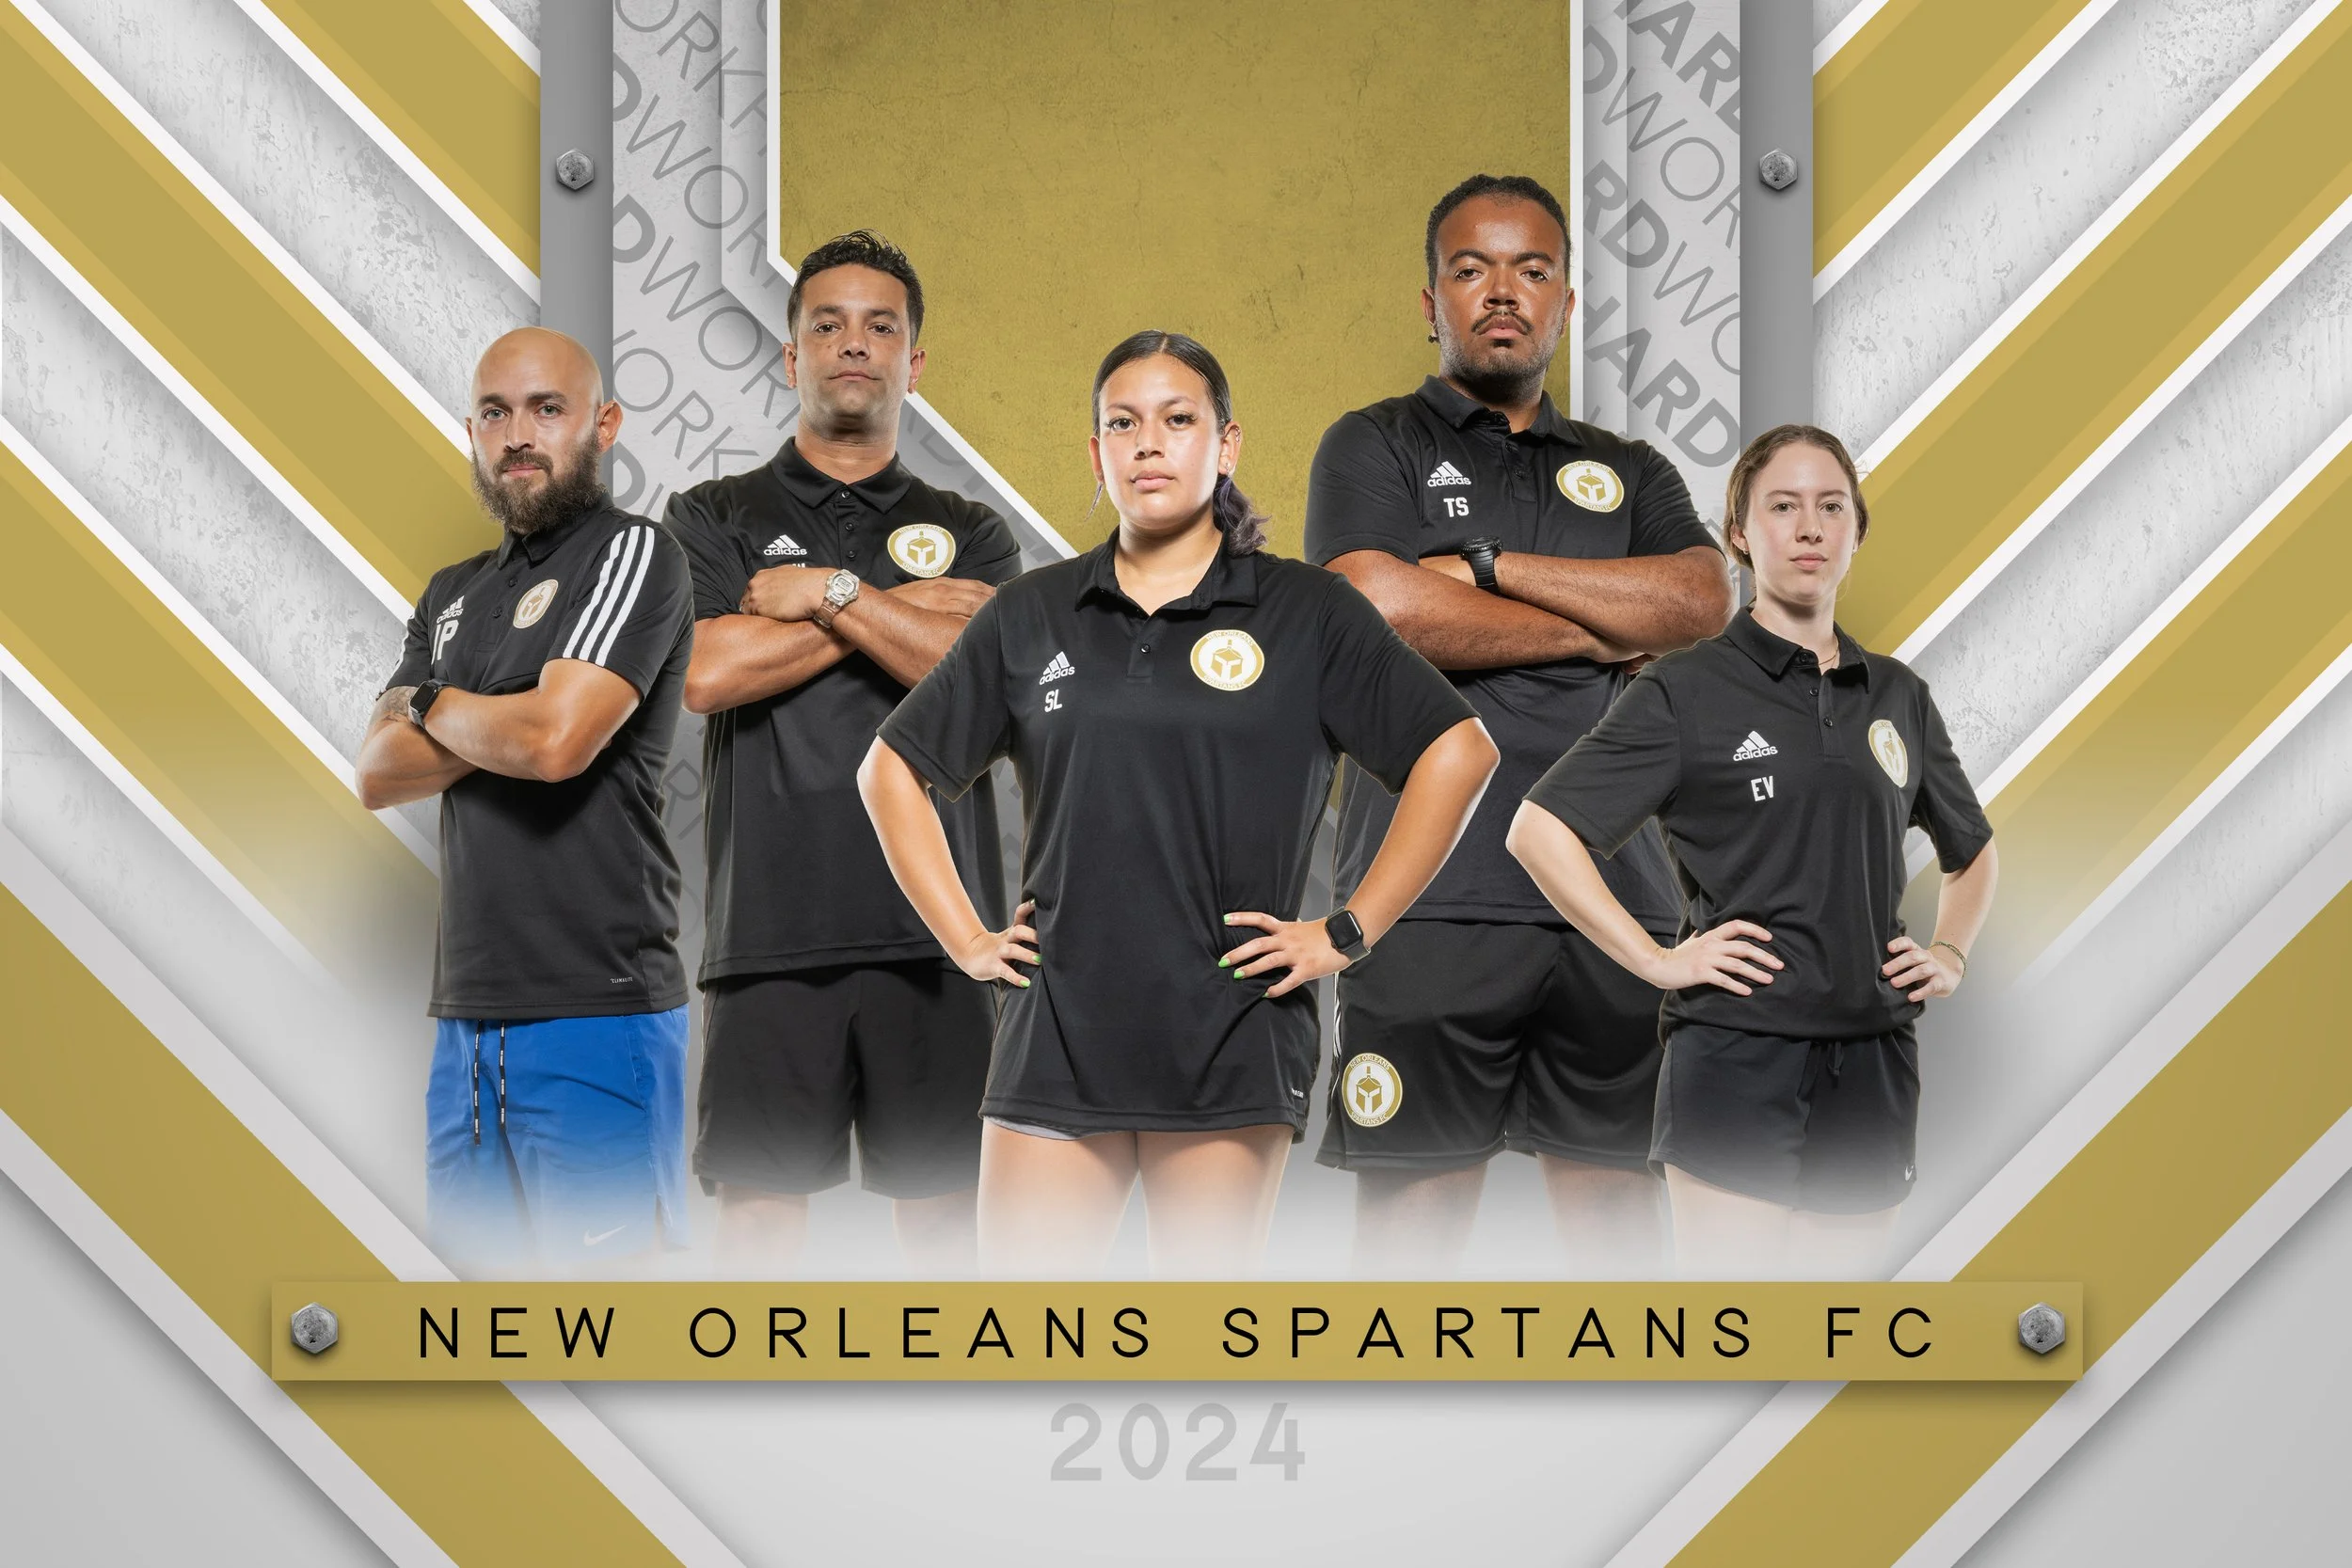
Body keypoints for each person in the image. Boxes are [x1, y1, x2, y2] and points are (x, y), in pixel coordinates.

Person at [859, 331, 1497, 1277]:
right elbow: (889, 769)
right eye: (1123, 423)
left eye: (1177, 418)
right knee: (1023, 1333)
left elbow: (1459, 749)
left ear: (1225, 444)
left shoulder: (1307, 611)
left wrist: (1348, 930)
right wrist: (967, 939)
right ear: (1097, 453)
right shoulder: (1031, 612)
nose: (1148, 442)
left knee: (1195, 1334)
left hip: (1231, 1027)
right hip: (1055, 1030)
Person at [1306, 172, 1733, 1274]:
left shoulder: (1628, 470)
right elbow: (1367, 607)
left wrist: (1487, 568)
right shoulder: (1373, 443)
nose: (1503, 291)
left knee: (1622, 1251)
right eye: (1472, 268)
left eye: (1531, 269)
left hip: (1618, 903)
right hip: (1427, 902)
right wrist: (1594, 628)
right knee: (1405, 1254)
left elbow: (1700, 601)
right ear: (1431, 302)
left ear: (1566, 302)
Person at [1507, 425, 1998, 1277]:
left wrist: (1950, 952)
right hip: (1734, 1054)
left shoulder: (1899, 696)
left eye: (1831, 507)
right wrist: (1657, 961)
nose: (1809, 528)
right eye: (1783, 506)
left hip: (1875, 1057)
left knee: (1838, 1331)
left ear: (1857, 530)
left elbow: (1973, 851)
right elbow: (1539, 830)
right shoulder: (1685, 688)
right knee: (1734, 1333)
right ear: (1739, 532)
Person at [664, 231, 1022, 1275]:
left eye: (880, 326)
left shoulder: (974, 528)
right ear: (792, 357)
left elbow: (986, 676)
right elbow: (706, 673)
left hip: (943, 936)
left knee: (949, 1231)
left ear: (916, 362)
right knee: (758, 1228)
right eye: (827, 324)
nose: (853, 343)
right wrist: (905, 611)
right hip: (768, 934)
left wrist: (828, 595)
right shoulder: (712, 514)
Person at [356, 326, 694, 1275]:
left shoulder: (634, 554)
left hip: (598, 1012)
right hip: (463, 1026)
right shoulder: (451, 594)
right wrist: (507, 707)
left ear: (603, 424)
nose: (519, 435)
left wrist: (431, 700)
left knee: (612, 1332)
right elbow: (377, 773)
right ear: (472, 431)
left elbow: (554, 743)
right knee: (477, 1327)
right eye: (496, 413)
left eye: (548, 409)